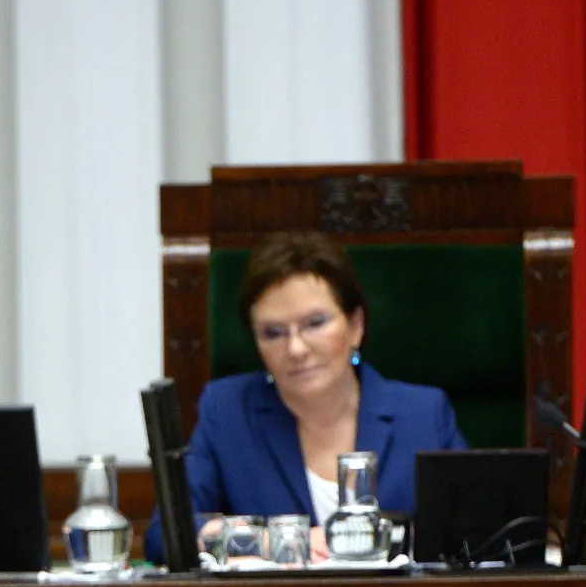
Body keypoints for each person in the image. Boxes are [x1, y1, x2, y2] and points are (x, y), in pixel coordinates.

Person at [143, 233, 467, 564]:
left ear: (356, 325)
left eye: (315, 323)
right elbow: (164, 536)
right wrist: (270, 541)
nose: (296, 349)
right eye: (273, 333)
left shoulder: (424, 414)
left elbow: (475, 537)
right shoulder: (227, 411)